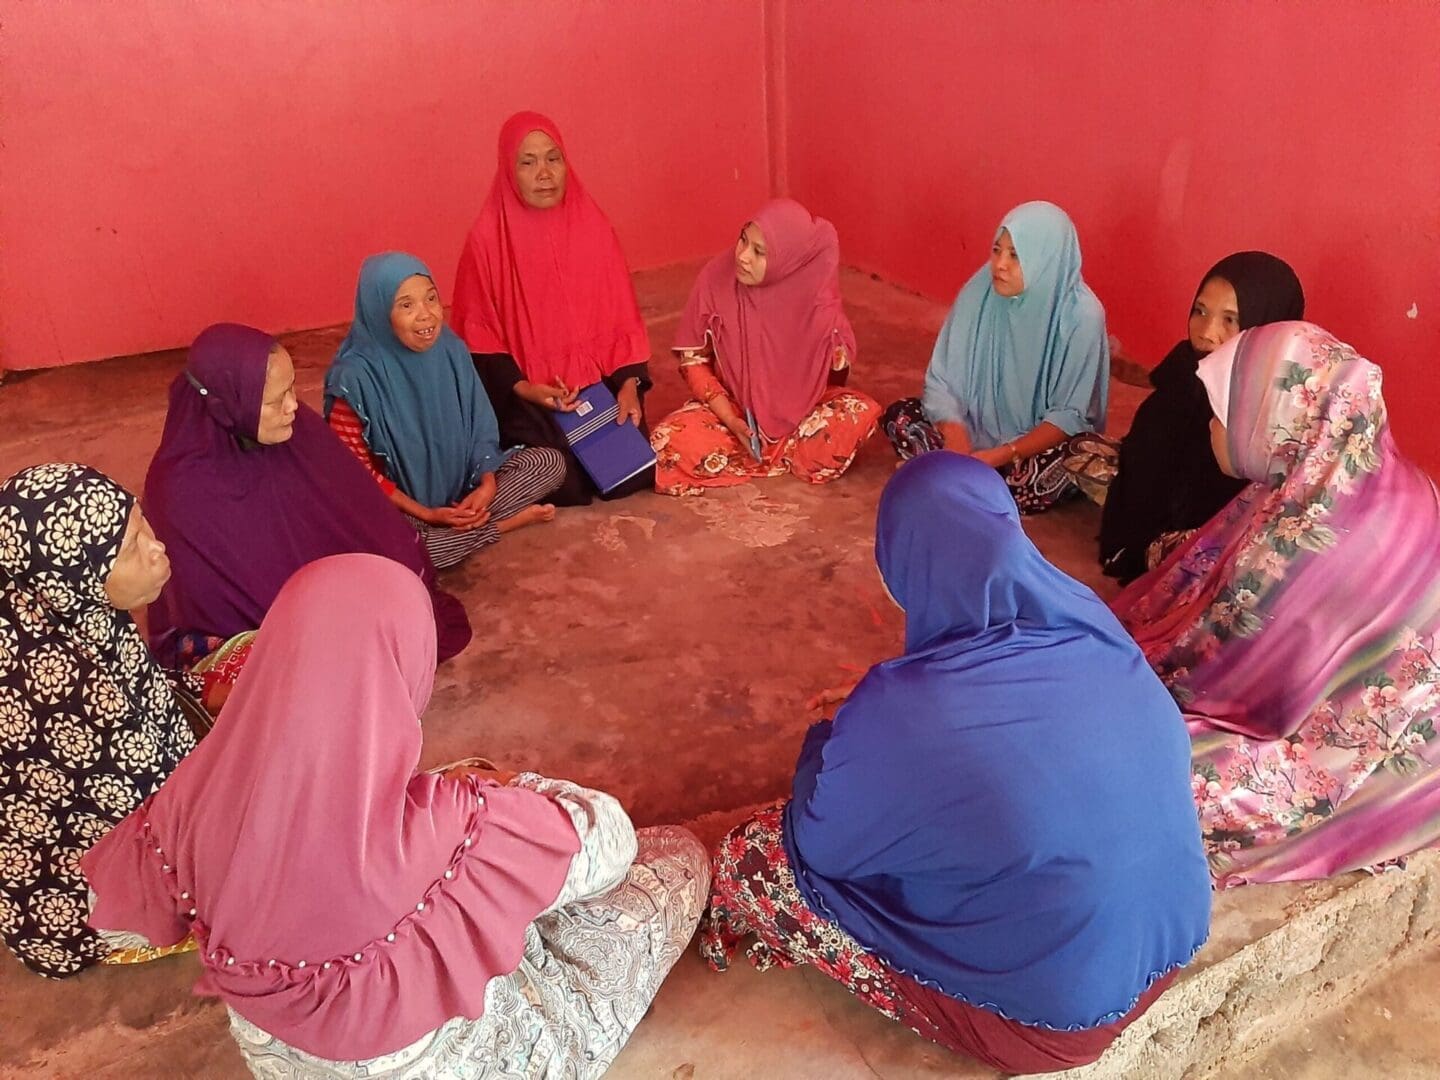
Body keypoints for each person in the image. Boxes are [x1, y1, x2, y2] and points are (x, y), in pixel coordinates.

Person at [82, 554, 709, 1077]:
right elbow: (611, 842)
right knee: (676, 860)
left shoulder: (190, 797)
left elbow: (120, 930)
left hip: (282, 1060)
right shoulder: (448, 824)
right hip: (450, 1062)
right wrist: (510, 786)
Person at [703, 453, 1210, 1072]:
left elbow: (819, 846)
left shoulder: (902, 707)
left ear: (899, 559)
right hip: (1170, 947)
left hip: (1055, 1021)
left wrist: (830, 738)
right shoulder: (1091, 628)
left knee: (754, 856)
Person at [1113, 321, 1440, 887]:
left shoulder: (1308, 538)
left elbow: (1244, 692)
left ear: (1278, 418)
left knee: (1140, 766)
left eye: (1224, 413)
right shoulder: (1344, 480)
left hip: (1368, 745)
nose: (1211, 426)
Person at [143, 323, 471, 683]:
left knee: (402, 584)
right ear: (226, 405)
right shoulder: (180, 490)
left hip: (321, 593)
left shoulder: (299, 432)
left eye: (291, 389)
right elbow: (220, 604)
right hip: (265, 627)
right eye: (274, 400)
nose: (292, 406)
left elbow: (361, 514)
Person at [0, 464, 201, 977]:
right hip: (88, 902)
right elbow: (158, 821)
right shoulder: (69, 688)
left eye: (142, 523)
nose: (156, 547)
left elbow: (148, 696)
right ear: (69, 575)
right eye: (131, 547)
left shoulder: (64, 617)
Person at [452, 111, 653, 504]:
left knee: (630, 475)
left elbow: (621, 318)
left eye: (553, 159)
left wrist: (629, 386)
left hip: (597, 384)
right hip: (528, 392)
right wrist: (527, 389)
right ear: (508, 170)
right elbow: (480, 339)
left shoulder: (594, 227)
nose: (544, 174)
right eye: (528, 163)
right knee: (565, 483)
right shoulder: (486, 240)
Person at [325, 253, 565, 569]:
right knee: (408, 550)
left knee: (549, 463)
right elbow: (357, 475)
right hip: (404, 507)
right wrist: (426, 513)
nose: (426, 315)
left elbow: (479, 427)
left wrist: (487, 482)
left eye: (431, 299)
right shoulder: (353, 379)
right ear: (379, 312)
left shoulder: (451, 350)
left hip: (463, 488)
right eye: (406, 305)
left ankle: (463, 527)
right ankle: (499, 525)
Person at [883, 201, 1109, 513]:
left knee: (1074, 458)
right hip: (973, 435)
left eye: (1016, 255)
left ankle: (947, 473)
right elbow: (942, 382)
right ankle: (968, 477)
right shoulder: (980, 292)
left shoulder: (1081, 316)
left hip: (1033, 448)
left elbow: (1071, 414)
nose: (1000, 265)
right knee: (901, 416)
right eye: (996, 250)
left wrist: (1002, 454)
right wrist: (956, 438)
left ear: (1047, 258)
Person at [650, 199, 880, 495]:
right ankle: (776, 454)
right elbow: (693, 362)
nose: (743, 256)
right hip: (733, 411)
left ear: (789, 260)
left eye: (759, 252)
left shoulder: (815, 296)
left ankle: (764, 454)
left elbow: (835, 373)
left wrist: (825, 328)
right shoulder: (716, 277)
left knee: (858, 413)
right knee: (667, 441)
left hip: (800, 415)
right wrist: (731, 419)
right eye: (743, 240)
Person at [1098, 252, 1305, 581]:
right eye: (1200, 311)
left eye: (1230, 320)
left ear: (1267, 326)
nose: (1207, 332)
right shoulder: (1182, 375)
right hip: (1152, 542)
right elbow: (1138, 477)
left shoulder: (1278, 410)